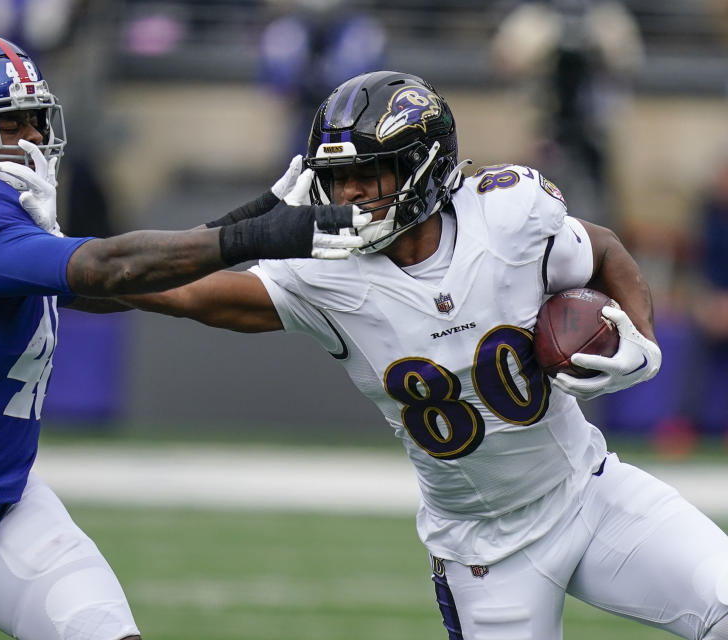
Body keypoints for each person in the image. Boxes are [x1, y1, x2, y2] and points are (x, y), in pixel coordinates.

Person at [0, 32, 368, 640]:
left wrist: (252, 218)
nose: (33, 137)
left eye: (35, 119)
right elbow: (109, 268)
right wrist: (264, 237)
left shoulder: (7, 231)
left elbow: (125, 285)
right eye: (7, 123)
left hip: (6, 503)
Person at [112, 71, 728, 639]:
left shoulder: (508, 215)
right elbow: (171, 289)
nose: (347, 196)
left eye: (367, 175)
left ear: (421, 167)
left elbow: (602, 249)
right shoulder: (323, 278)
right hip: (484, 551)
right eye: (337, 178)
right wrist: (53, 268)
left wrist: (642, 341)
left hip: (591, 492)